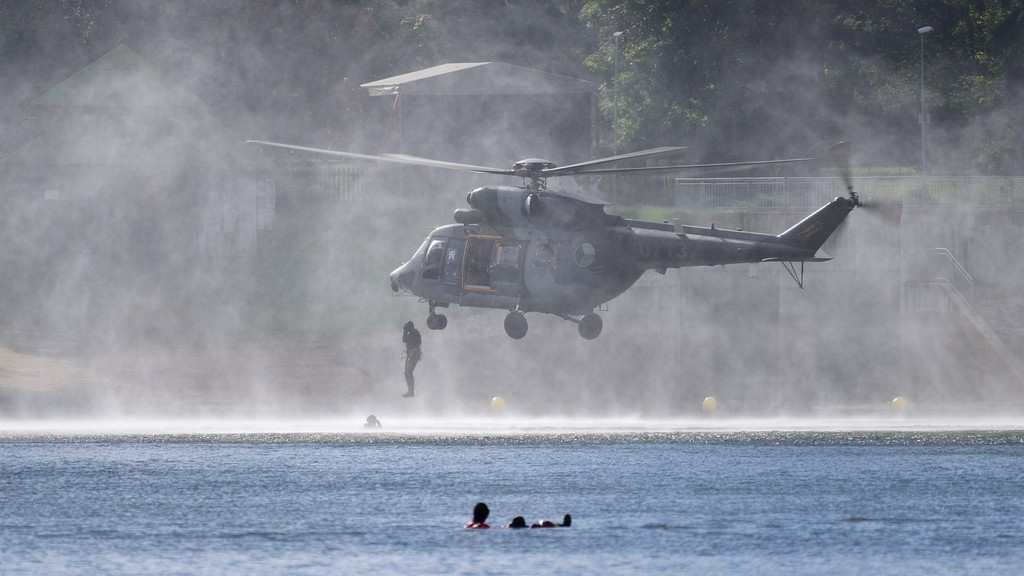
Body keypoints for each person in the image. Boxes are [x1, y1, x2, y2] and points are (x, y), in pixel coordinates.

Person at [401, 320, 422, 398]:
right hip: (412, 355)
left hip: (413, 356)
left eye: (407, 329)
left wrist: (405, 331)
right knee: (407, 372)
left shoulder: (414, 333)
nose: (407, 331)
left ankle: (410, 391)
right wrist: (406, 331)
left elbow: (404, 340)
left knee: (408, 372)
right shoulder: (414, 332)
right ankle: (410, 391)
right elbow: (405, 340)